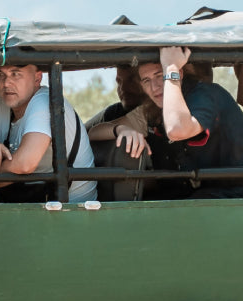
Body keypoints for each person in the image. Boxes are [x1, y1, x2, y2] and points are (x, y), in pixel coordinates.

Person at [88, 47, 243, 198]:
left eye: (160, 75)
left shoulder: (206, 95)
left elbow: (177, 129)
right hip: (191, 198)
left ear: (179, 73)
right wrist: (120, 130)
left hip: (233, 194)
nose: (155, 87)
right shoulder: (151, 109)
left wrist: (171, 69)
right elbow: (94, 133)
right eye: (146, 80)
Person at [0, 64, 97, 203]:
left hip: (71, 212)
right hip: (33, 206)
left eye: (15, 74)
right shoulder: (2, 106)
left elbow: (25, 164)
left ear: (37, 78)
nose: (6, 83)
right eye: (1, 75)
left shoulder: (44, 100)